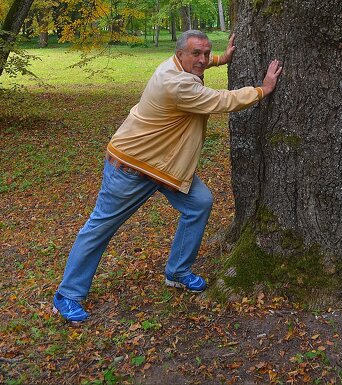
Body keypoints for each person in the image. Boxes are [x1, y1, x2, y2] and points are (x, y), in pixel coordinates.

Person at [52, 30, 282, 323]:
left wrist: (222, 59)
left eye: (206, 52)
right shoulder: (177, 84)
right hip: (132, 167)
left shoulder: (175, 64)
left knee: (199, 203)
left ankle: (177, 272)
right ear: (180, 53)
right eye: (196, 53)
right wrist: (263, 89)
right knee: (100, 228)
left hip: (164, 167)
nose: (202, 59)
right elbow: (222, 101)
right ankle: (67, 295)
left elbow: (199, 64)